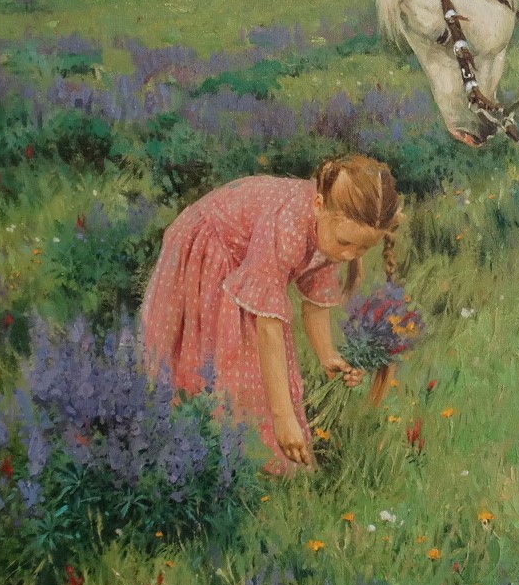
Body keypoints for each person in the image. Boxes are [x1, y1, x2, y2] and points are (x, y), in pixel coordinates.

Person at [141, 154, 403, 473]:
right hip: (211, 246)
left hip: (241, 255)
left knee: (246, 365)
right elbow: (268, 327)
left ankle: (241, 460)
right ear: (319, 206)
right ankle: (216, 455)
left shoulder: (329, 229)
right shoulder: (289, 222)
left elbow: (315, 305)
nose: (349, 255)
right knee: (226, 359)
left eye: (363, 249)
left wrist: (327, 356)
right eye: (345, 243)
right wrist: (284, 419)